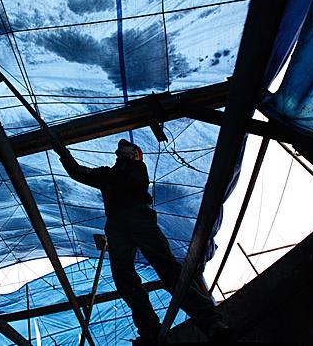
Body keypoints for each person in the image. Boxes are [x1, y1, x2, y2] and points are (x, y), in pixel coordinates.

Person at [56, 139, 230, 344]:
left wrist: (111, 172)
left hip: (138, 217)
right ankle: (150, 329)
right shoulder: (110, 173)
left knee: (167, 268)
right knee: (125, 279)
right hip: (117, 225)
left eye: (127, 148)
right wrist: (63, 153)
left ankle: (209, 321)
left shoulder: (136, 168)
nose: (122, 148)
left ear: (134, 154)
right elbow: (79, 172)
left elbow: (132, 183)